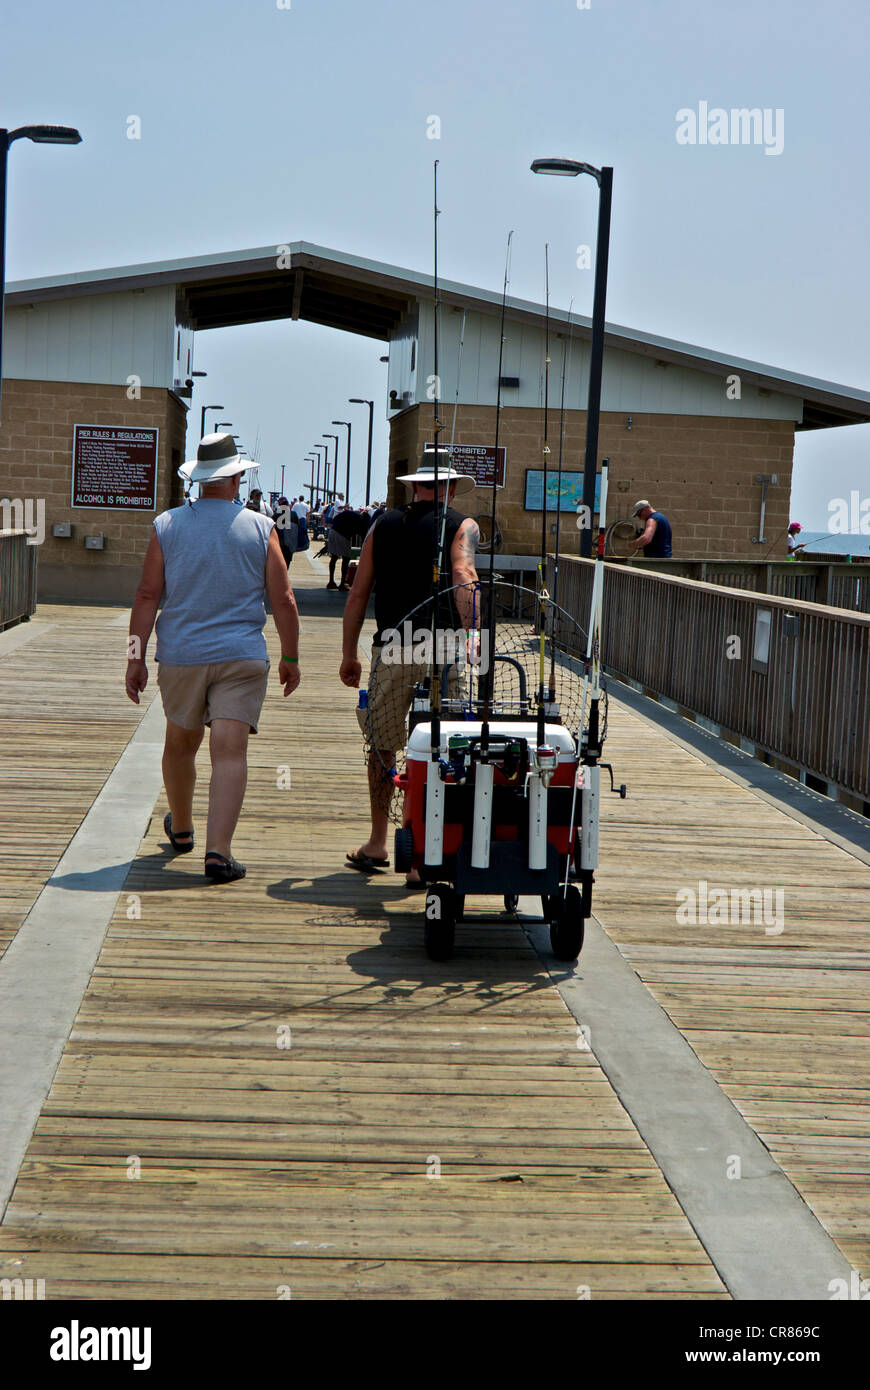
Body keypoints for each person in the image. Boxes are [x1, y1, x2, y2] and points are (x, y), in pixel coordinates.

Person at [125, 433, 301, 883]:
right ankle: (218, 853)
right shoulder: (261, 528)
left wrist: (135, 657)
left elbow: (148, 595)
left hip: (182, 655)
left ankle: (181, 830)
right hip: (241, 656)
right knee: (230, 752)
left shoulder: (167, 525)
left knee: (180, 746)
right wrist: (290, 655)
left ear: (200, 480)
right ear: (237, 477)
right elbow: (283, 600)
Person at [339, 460, 480, 884]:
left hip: (393, 647)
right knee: (445, 746)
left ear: (415, 488)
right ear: (451, 489)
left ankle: (379, 842)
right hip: (443, 647)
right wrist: (473, 634)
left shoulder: (382, 524)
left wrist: (350, 653)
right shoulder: (464, 524)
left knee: (383, 742)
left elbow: (359, 591)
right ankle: (425, 850)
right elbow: (463, 573)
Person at [326, 505, 369, 590]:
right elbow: (362, 535)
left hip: (332, 532)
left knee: (334, 558)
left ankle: (331, 582)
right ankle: (342, 584)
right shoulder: (361, 521)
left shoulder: (350, 513)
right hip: (343, 535)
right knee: (346, 559)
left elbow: (335, 519)